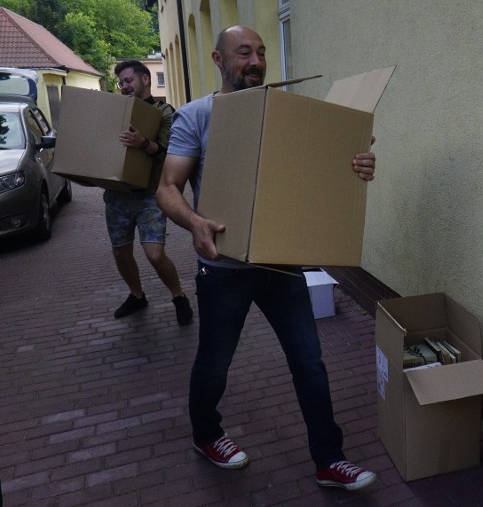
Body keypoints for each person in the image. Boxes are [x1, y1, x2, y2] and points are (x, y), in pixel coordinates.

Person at [156, 26, 377, 491]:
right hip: (223, 270)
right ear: (218, 58)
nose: (255, 61)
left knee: (310, 363)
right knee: (215, 363)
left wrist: (355, 167)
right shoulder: (196, 116)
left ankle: (329, 459)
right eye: (243, 53)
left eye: (260, 53)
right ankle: (206, 434)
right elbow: (168, 188)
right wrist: (194, 223)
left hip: (281, 265)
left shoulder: (287, 114)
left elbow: (316, 173)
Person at [105, 60, 193, 325]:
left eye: (129, 80)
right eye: (121, 83)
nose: (124, 87)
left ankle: (179, 297)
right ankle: (137, 296)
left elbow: (169, 152)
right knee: (121, 252)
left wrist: (144, 143)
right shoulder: (116, 112)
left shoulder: (165, 112)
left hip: (149, 196)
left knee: (154, 253)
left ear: (146, 79)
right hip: (117, 194)